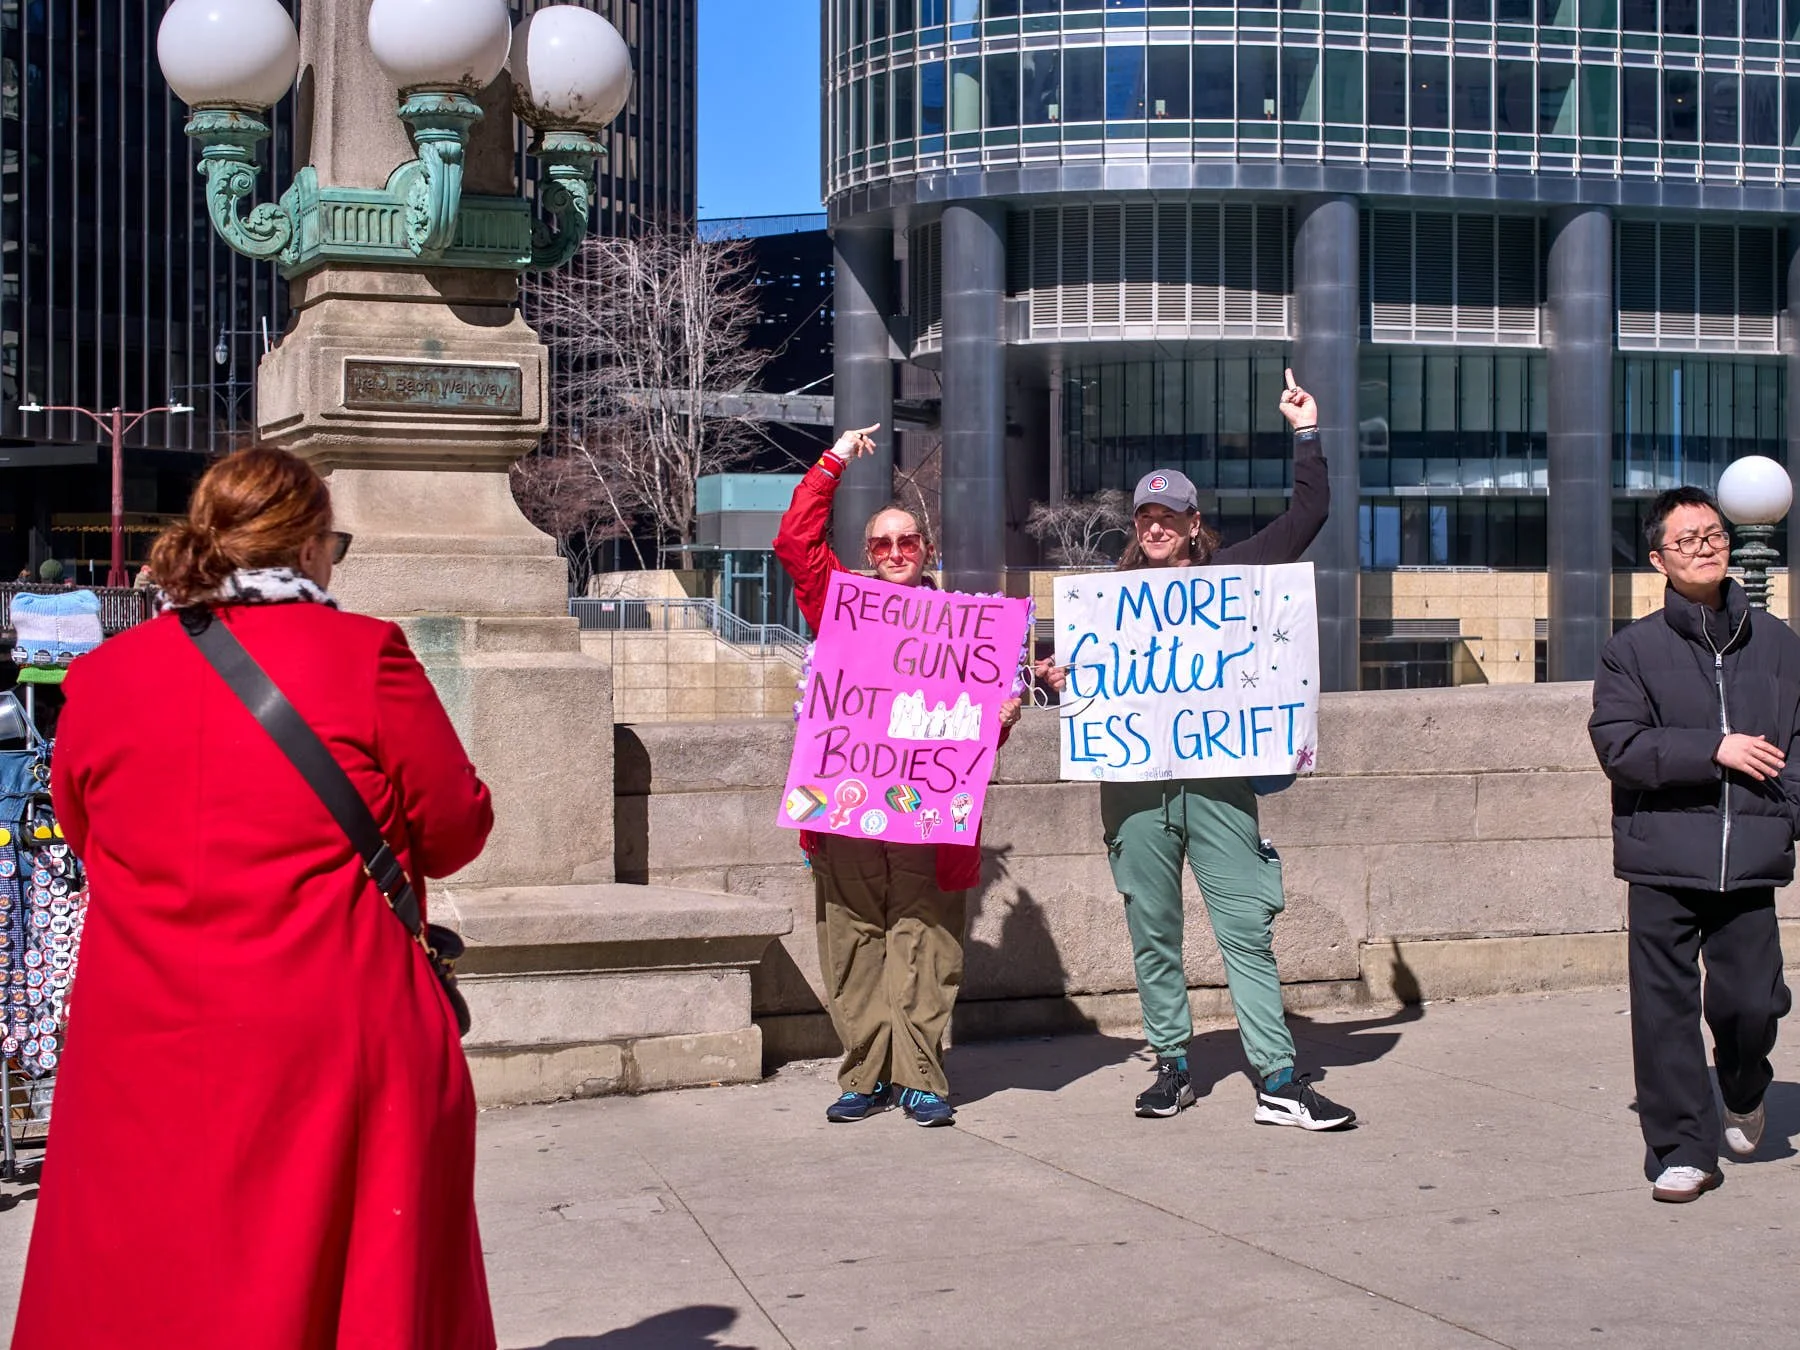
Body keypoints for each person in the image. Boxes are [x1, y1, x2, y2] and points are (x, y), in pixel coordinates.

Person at [13, 448, 499, 1347]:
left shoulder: (105, 676)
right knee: (354, 1273)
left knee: (149, 1276)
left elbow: (85, 833)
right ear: (309, 548)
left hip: (143, 1029)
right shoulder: (368, 656)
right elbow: (454, 831)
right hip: (332, 1021)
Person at [1037, 371, 1355, 1129]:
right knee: (1153, 929)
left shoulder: (1234, 576)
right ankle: (1172, 1066)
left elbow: (1309, 513)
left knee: (1246, 927)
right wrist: (1053, 678)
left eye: (1169, 516)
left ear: (1193, 521)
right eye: (1145, 517)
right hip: (1134, 789)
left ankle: (1278, 1077)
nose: (1156, 527)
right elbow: (1068, 679)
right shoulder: (1104, 605)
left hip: (1217, 784)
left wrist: (1307, 434)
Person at [772, 424, 1021, 1128]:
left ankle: (919, 1077)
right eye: (881, 544)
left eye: (907, 541)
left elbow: (976, 734)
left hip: (928, 817)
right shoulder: (842, 605)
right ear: (867, 555)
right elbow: (794, 543)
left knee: (927, 941)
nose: (895, 553)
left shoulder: (964, 627)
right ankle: (866, 1074)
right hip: (848, 808)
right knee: (853, 940)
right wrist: (834, 461)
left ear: (927, 550)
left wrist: (1002, 717)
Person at [1589, 485, 1800, 1203]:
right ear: (1659, 559)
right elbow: (1620, 746)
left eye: (1714, 535)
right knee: (1663, 1012)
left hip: (1750, 860)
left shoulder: (1779, 645)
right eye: (1687, 540)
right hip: (1663, 855)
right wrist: (1714, 748)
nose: (1706, 548)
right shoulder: (1631, 651)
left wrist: (1787, 817)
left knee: (1751, 1003)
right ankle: (1683, 1148)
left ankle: (1743, 1085)